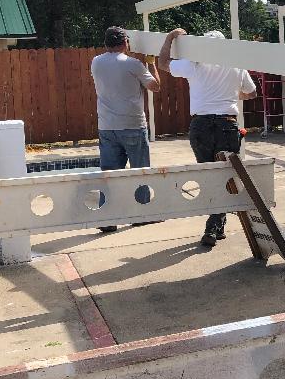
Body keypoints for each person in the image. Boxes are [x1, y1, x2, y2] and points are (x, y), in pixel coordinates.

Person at [158, 28, 258, 247]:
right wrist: (233, 94)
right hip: (227, 125)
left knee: (210, 177)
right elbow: (252, 93)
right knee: (225, 177)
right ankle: (214, 227)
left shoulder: (194, 63)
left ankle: (215, 226)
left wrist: (169, 38)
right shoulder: (235, 63)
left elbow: (163, 64)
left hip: (201, 126)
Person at [90, 26, 161, 233]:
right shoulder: (134, 64)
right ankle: (141, 215)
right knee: (140, 171)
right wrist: (151, 64)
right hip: (132, 125)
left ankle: (107, 219)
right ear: (125, 43)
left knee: (110, 174)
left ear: (106, 44)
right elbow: (155, 86)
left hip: (107, 126)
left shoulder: (96, 62)